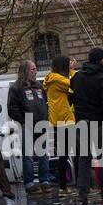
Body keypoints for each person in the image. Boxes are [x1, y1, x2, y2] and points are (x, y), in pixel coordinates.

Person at [69, 47, 103, 205]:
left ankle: (82, 194)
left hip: (81, 122)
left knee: (84, 158)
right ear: (100, 60)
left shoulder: (77, 77)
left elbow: (70, 98)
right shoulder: (102, 79)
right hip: (97, 122)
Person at [7, 59, 52, 194]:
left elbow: (45, 102)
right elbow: (12, 108)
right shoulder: (16, 87)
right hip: (27, 124)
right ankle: (29, 183)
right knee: (28, 156)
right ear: (25, 71)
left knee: (43, 154)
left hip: (41, 123)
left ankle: (45, 181)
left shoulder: (38, 85)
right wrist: (23, 120)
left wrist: (46, 116)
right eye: (33, 69)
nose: (36, 71)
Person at [44, 55, 75, 194]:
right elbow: (74, 85)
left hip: (58, 120)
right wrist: (73, 71)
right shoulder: (57, 79)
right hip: (64, 120)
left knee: (64, 155)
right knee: (67, 155)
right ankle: (63, 188)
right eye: (68, 64)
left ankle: (63, 187)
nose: (70, 65)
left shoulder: (52, 79)